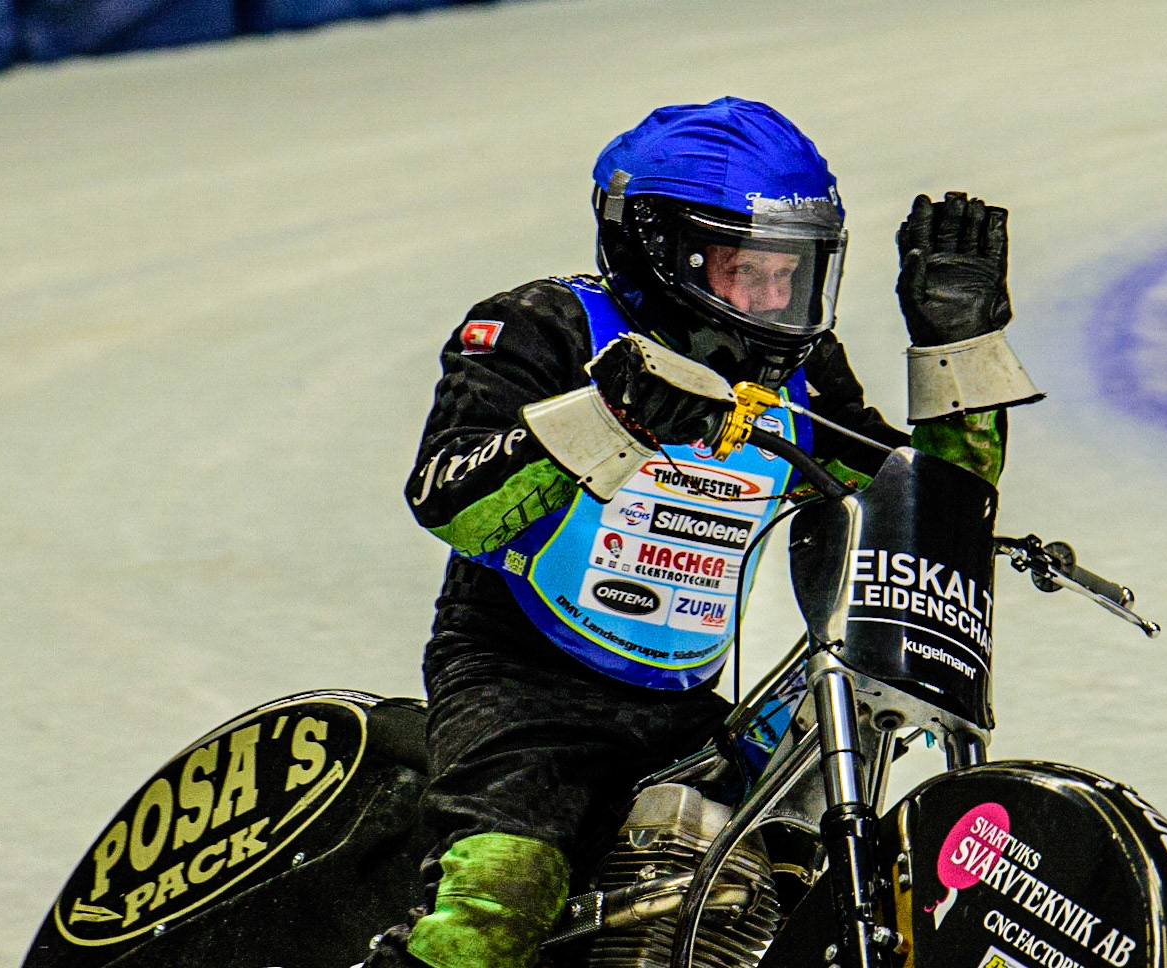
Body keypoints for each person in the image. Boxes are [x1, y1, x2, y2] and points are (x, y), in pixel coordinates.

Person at [369, 96, 1041, 968]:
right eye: (745, 270)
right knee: (501, 899)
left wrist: (960, 347)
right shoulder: (545, 326)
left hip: (686, 706)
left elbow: (921, 507)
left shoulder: (800, 373)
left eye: (790, 274)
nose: (773, 302)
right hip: (522, 689)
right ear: (660, 252)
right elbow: (451, 504)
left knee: (788, 879)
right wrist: (611, 416)